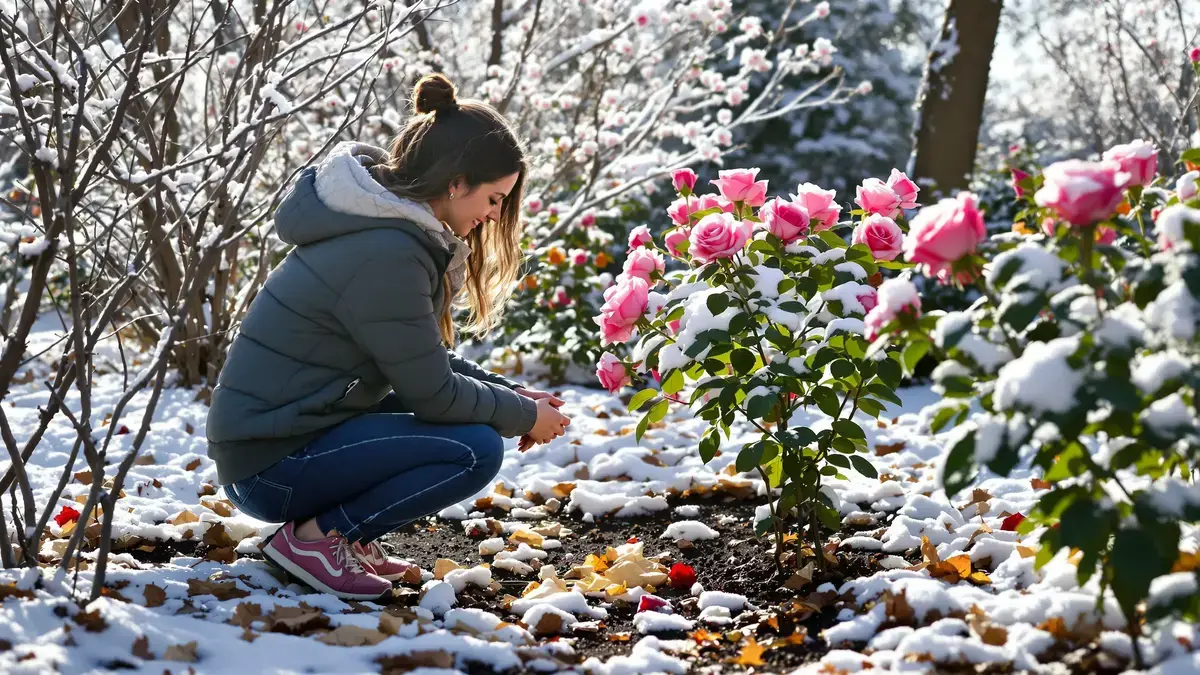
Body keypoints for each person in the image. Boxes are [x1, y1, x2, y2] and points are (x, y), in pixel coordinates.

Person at [205, 74, 572, 600]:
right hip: (270, 465)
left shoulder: (392, 235)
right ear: (456, 181)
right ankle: (317, 540)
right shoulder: (388, 252)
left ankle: (339, 539)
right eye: (493, 199)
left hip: (286, 442)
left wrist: (515, 397)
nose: (493, 215)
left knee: (471, 432)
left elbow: (425, 361)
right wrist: (518, 415)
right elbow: (434, 393)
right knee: (475, 451)